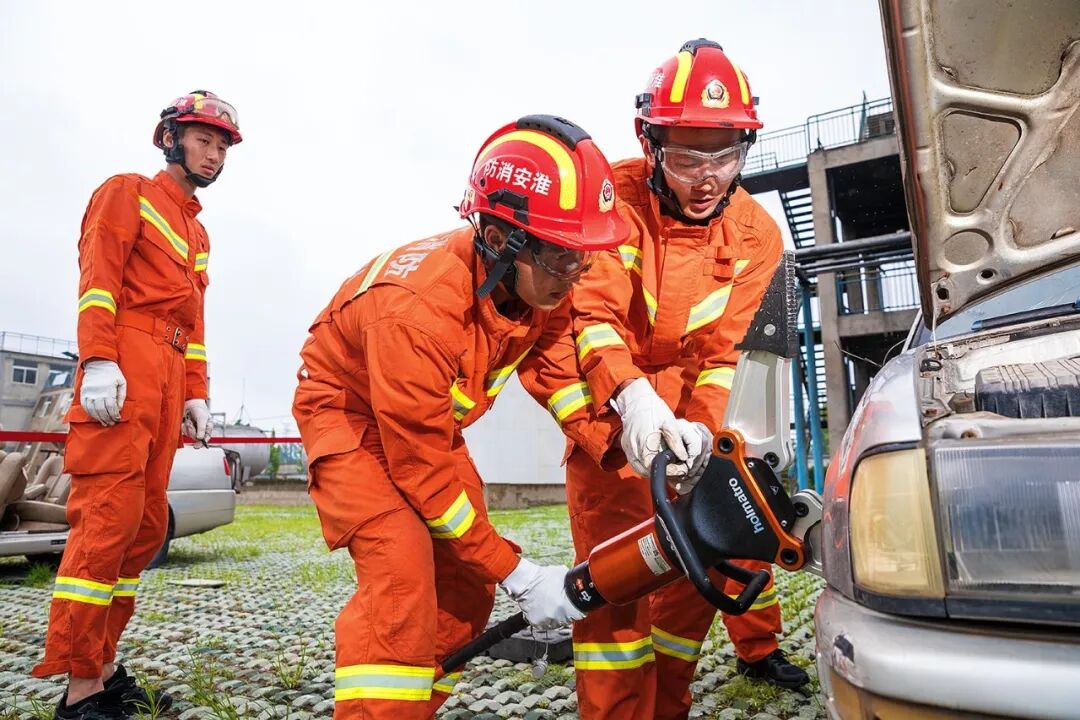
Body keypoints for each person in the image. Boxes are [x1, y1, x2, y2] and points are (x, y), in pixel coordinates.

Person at [291, 115, 628, 720]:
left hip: (423, 428)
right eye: (562, 257)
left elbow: (557, 370)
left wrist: (629, 443)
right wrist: (520, 574)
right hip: (350, 419)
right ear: (500, 239)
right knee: (401, 576)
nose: (576, 275)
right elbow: (422, 474)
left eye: (583, 258)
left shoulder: (538, 286)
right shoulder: (416, 312)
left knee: (467, 583)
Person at [523, 41, 809, 720]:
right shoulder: (608, 203)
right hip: (610, 417)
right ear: (648, 143)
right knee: (613, 603)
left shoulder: (758, 236)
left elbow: (724, 355)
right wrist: (631, 403)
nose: (707, 178)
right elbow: (591, 319)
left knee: (690, 588)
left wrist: (703, 440)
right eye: (686, 158)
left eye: (725, 156)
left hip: (692, 430)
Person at [32, 90, 242, 719]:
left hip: (168, 375)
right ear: (170, 138)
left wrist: (197, 392)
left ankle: (101, 667)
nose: (213, 153)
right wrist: (99, 358)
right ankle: (79, 693)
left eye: (222, 145)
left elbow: (194, 321)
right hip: (125, 365)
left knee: (144, 527)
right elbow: (98, 284)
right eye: (203, 140)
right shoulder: (127, 193)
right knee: (105, 525)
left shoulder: (197, 231)